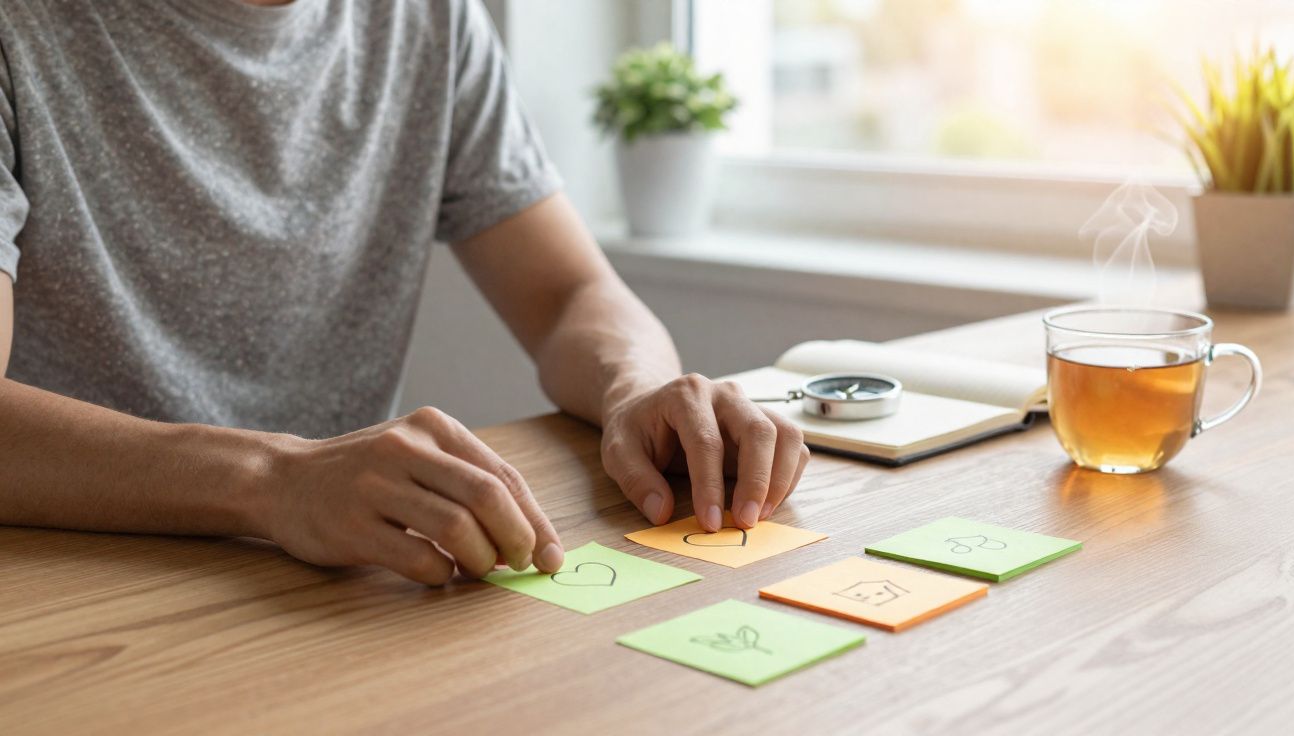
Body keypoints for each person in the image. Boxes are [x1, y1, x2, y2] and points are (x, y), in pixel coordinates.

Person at [0, 0, 810, 585]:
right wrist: (273, 479)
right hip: (73, 576)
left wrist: (634, 390)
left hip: (343, 579)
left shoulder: (431, 20)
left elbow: (570, 292)